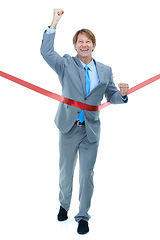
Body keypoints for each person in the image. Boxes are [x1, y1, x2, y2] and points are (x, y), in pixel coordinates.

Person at [40, 9, 129, 235]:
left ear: (93, 45)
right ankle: (64, 204)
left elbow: (112, 97)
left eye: (88, 41)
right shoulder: (66, 65)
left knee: (86, 176)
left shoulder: (105, 71)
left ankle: (83, 216)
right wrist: (54, 23)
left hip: (91, 131)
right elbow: (46, 52)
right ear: (75, 45)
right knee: (66, 172)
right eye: (80, 41)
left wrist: (123, 95)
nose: (84, 45)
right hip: (68, 128)